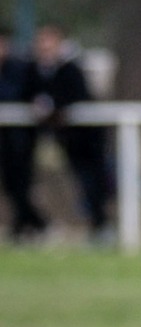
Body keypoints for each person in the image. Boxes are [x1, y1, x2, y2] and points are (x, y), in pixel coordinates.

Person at [27, 23, 109, 241]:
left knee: (93, 182)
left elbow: (78, 96)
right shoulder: (36, 70)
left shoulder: (71, 68)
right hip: (66, 139)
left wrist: (53, 105)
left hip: (87, 138)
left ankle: (101, 226)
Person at [0, 23, 46, 242]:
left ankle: (34, 224)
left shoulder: (20, 67)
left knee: (21, 184)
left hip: (20, 139)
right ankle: (29, 225)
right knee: (11, 185)